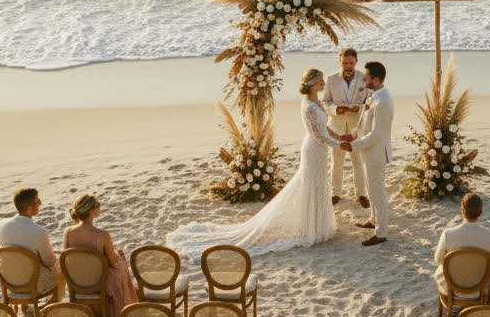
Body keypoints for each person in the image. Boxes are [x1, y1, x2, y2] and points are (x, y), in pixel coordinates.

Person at [166, 68, 346, 258]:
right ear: (312, 83)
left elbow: (324, 128)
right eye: (321, 81)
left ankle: (317, 225)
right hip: (313, 149)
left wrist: (339, 136)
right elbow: (318, 135)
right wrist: (340, 144)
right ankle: (312, 227)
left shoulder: (317, 101)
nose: (324, 84)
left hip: (321, 151)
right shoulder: (308, 106)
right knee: (310, 184)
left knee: (319, 184)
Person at [342, 61, 394, 247]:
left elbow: (376, 134)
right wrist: (353, 134)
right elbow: (364, 123)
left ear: (376, 79)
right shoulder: (373, 96)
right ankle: (373, 220)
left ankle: (381, 232)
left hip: (376, 153)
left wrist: (354, 145)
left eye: (366, 77)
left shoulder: (383, 102)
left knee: (377, 192)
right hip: (368, 152)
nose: (363, 79)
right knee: (372, 190)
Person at [62, 194, 138, 317]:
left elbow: (67, 258)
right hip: (98, 282)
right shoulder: (102, 235)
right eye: (98, 205)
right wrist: (119, 256)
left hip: (76, 280)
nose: (100, 207)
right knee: (120, 263)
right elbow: (113, 263)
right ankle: (124, 304)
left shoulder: (68, 232)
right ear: (91, 212)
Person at [322, 47, 370, 209]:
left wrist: (360, 108)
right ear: (340, 61)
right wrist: (336, 109)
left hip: (358, 126)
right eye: (345, 63)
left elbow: (370, 103)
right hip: (336, 127)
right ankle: (335, 193)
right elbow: (325, 102)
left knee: (358, 160)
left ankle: (361, 193)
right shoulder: (331, 79)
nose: (348, 66)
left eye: (351, 63)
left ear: (356, 62)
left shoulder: (365, 79)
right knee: (336, 162)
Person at [0, 187, 63, 300]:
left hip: (10, 282)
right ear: (29, 208)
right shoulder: (39, 232)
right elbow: (49, 262)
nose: (40, 203)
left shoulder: (2, 224)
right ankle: (55, 303)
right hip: (33, 285)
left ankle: (29, 305)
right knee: (62, 263)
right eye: (37, 201)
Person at [433, 192, 490, 287]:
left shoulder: (448, 234)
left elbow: (438, 260)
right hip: (480, 286)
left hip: (454, 286)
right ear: (481, 211)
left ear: (462, 210)